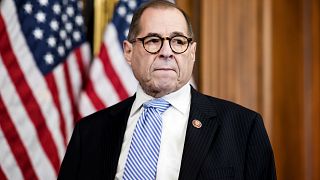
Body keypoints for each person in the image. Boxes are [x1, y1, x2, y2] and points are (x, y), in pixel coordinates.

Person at [58, 0, 276, 179]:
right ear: (128, 51)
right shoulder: (88, 133)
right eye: (153, 40)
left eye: (178, 41)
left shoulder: (244, 129)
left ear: (191, 52)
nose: (166, 52)